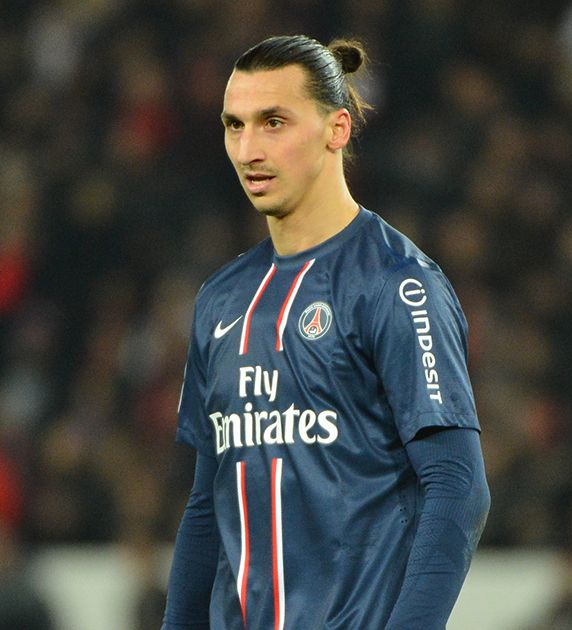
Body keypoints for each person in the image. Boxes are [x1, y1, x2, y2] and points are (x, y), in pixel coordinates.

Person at [162, 35, 491, 630]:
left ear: (337, 129)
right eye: (234, 125)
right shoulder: (219, 301)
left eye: (274, 123)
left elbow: (457, 484)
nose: (248, 149)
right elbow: (208, 506)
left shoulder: (396, 285)